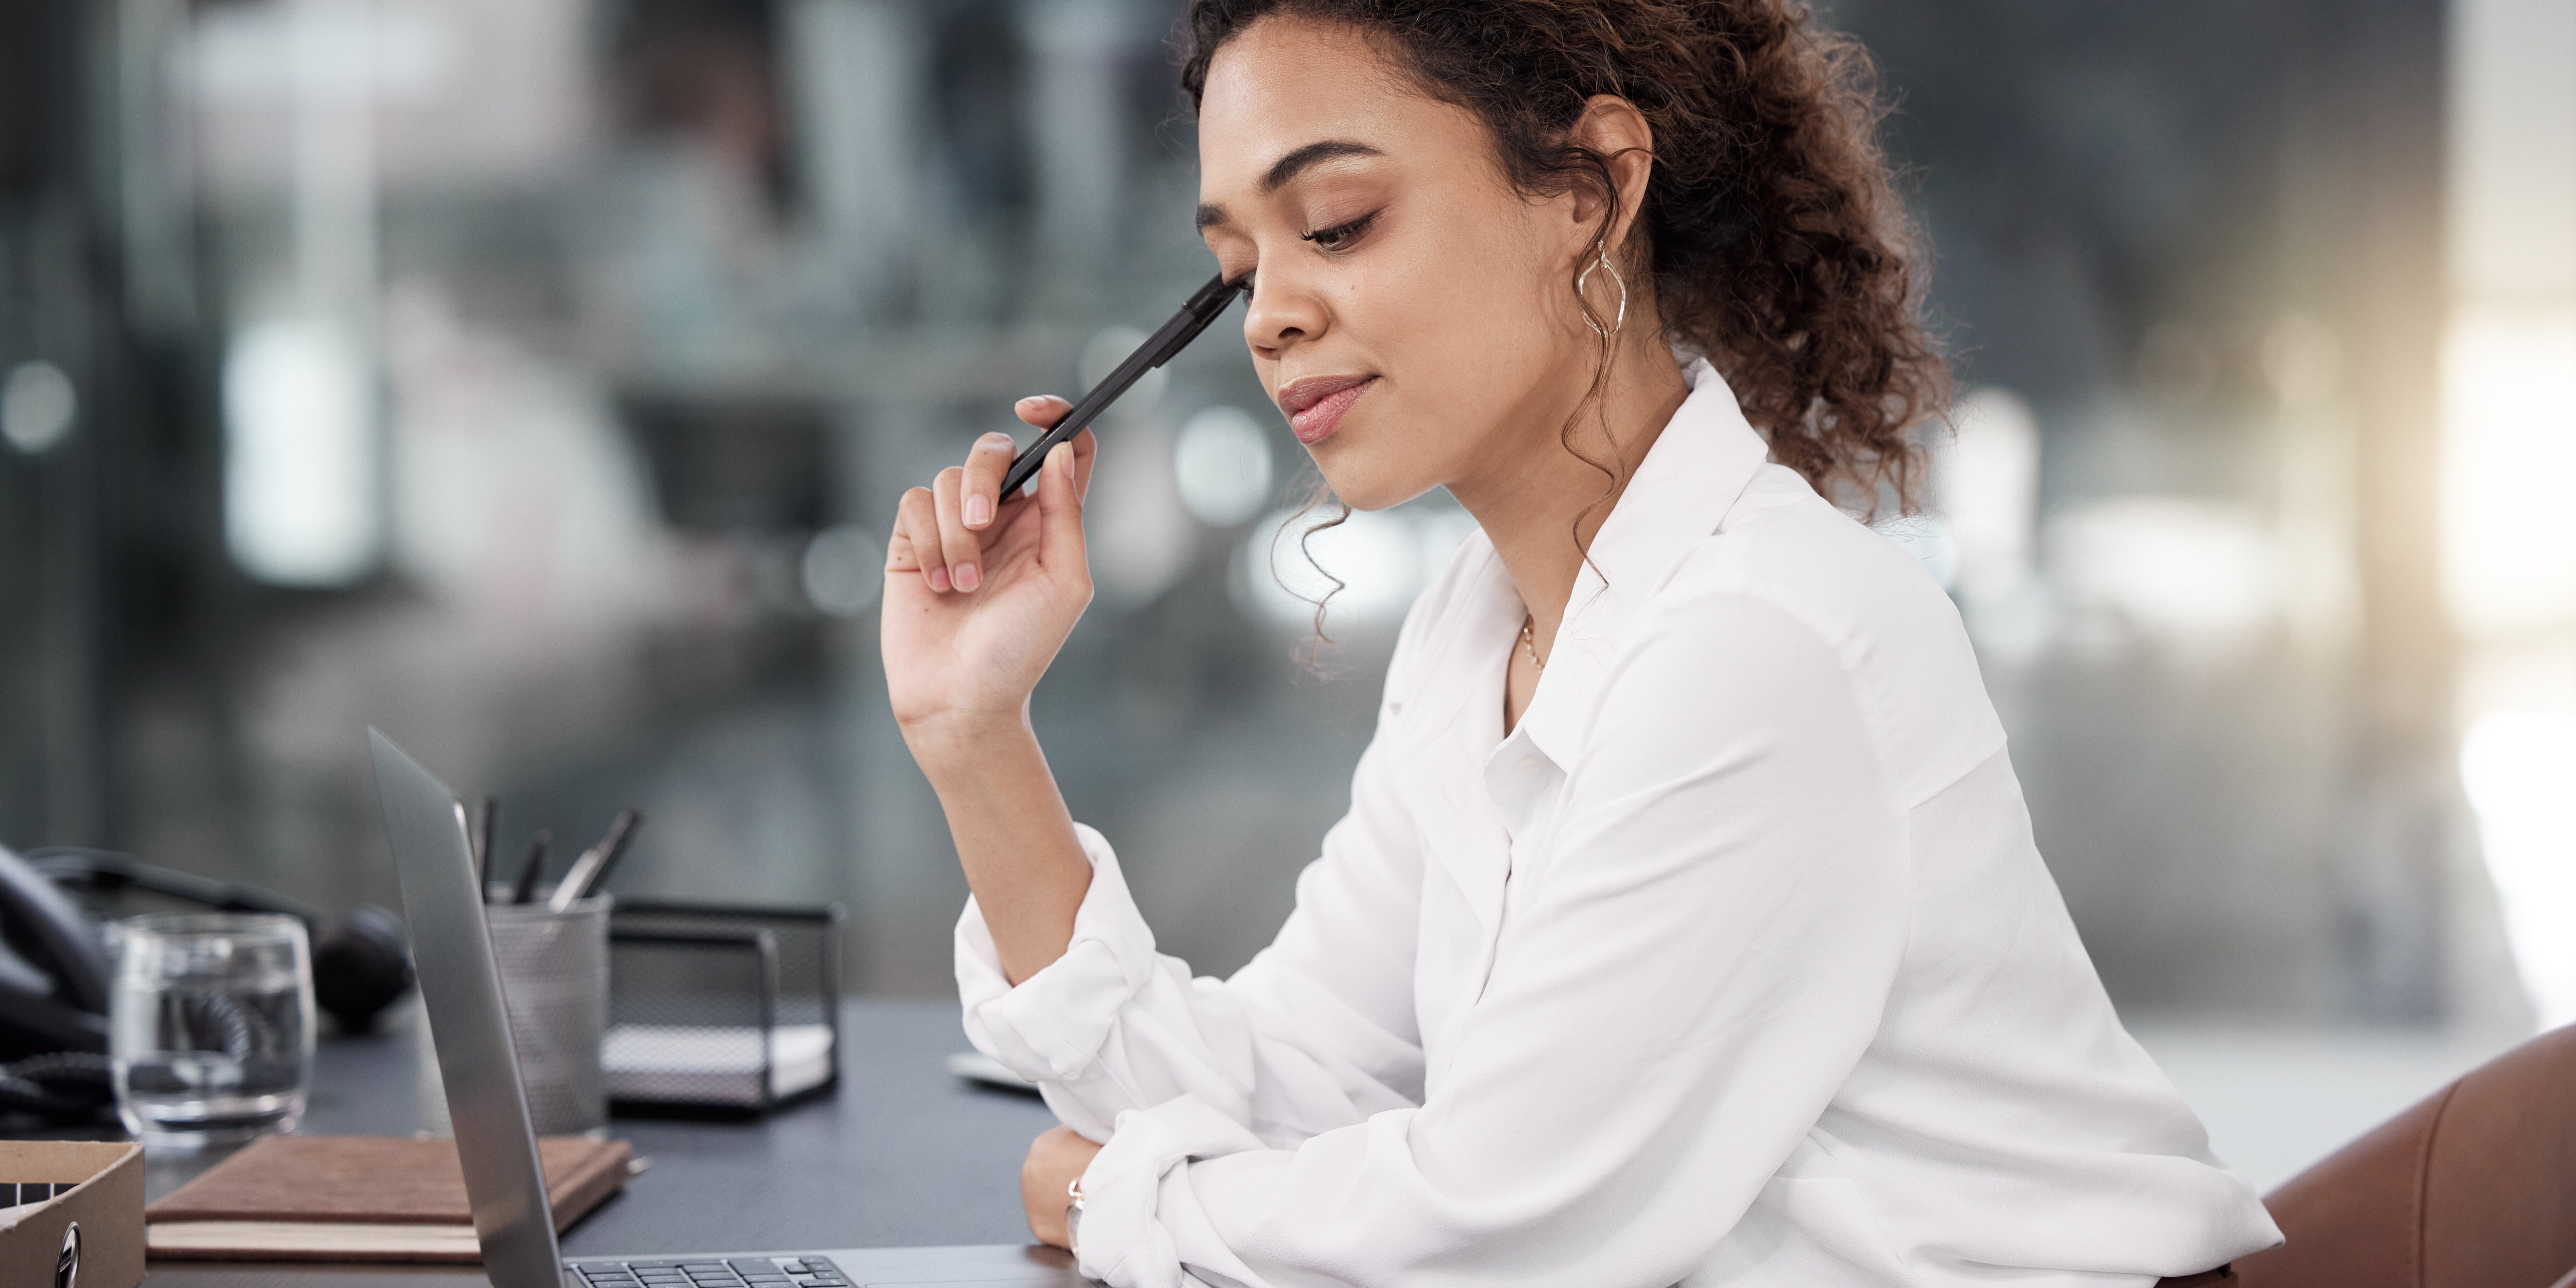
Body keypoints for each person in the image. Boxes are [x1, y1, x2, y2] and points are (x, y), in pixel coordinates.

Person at [881, 2, 2283, 1284]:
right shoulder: (1479, 631)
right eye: (1238, 268)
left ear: (1592, 192)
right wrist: (974, 738)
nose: (1275, 316)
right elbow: (1286, 1078)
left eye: (1339, 220)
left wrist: (1124, 1203)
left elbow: (1493, 1233)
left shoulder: (1751, 650)